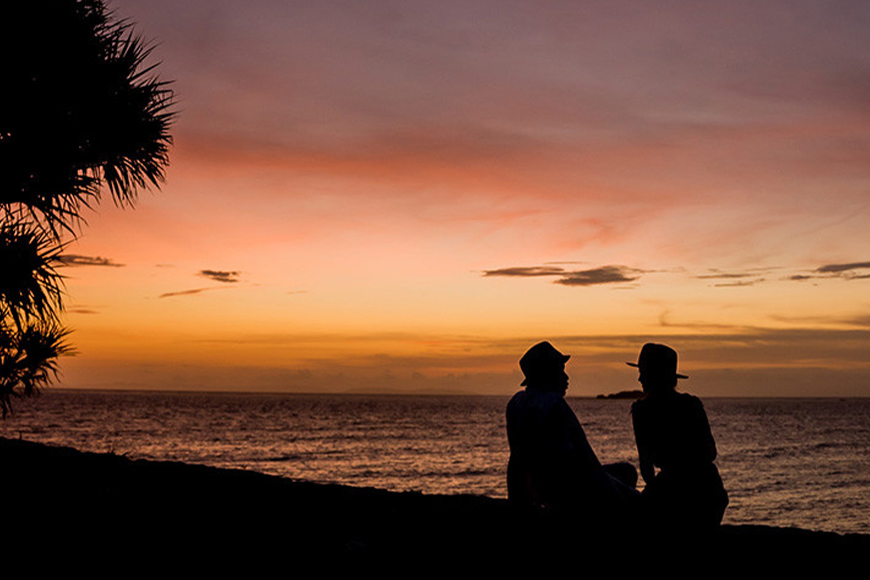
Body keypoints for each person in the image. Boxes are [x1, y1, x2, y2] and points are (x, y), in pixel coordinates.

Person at [506, 341, 639, 524]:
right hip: (567, 491)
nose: (566, 377)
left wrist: (516, 503)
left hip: (541, 489)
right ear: (549, 374)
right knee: (628, 476)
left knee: (623, 475)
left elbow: (515, 461)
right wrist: (617, 496)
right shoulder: (553, 402)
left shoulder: (516, 403)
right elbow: (584, 461)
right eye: (561, 371)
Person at [628, 343, 728, 531]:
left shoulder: (642, 411)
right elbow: (710, 452)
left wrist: (661, 491)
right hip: (709, 492)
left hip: (674, 492)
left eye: (643, 372)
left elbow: (646, 468)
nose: (639, 378)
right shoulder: (692, 404)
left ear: (653, 375)